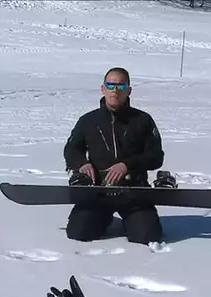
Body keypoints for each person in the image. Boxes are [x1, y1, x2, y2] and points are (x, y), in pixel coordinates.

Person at [63, 67, 164, 245]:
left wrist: (127, 164)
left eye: (121, 86)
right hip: (98, 192)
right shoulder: (88, 121)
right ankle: (103, 218)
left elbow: (156, 156)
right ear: (103, 89)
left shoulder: (143, 120)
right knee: (79, 232)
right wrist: (81, 164)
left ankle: (134, 220)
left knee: (146, 236)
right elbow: (71, 149)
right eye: (110, 85)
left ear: (129, 90)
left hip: (134, 191)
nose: (115, 90)